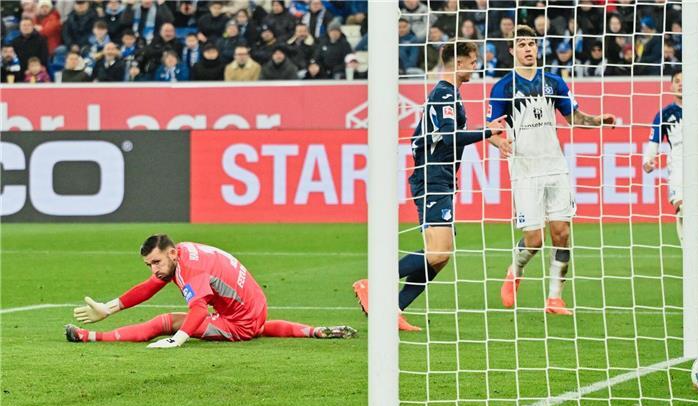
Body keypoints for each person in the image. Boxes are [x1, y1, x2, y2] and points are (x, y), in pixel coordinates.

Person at [352, 42, 507, 331]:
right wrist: (487, 131)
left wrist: (488, 134)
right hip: (433, 178)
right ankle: (373, 283)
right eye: (473, 61)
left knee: (439, 258)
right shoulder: (444, 94)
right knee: (438, 253)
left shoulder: (451, 95)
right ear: (458, 62)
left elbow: (437, 135)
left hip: (441, 178)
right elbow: (449, 137)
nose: (476, 67)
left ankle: (393, 309)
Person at [488, 26, 616, 312]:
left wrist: (598, 120)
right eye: (522, 44)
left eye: (532, 43)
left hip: (555, 166)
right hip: (524, 169)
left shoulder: (554, 82)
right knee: (534, 239)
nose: (528, 49)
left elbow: (574, 118)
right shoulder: (503, 87)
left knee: (562, 233)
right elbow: (492, 129)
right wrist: (500, 142)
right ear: (512, 50)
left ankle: (554, 297)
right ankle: (515, 270)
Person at [66, 234, 356, 347]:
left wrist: (177, 340)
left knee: (164, 322)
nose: (153, 269)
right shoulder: (183, 253)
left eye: (156, 262)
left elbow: (199, 310)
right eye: (148, 264)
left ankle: (89, 337)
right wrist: (109, 308)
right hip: (255, 307)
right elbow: (150, 286)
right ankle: (313, 331)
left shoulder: (190, 269)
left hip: (240, 322)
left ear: (171, 253)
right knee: (258, 327)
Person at [643, 71, 698, 275]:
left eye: (684, 81)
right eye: (677, 81)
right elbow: (653, 143)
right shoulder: (664, 114)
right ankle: (691, 258)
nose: (681, 84)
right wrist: (648, 160)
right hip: (678, 169)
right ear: (671, 86)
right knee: (683, 211)